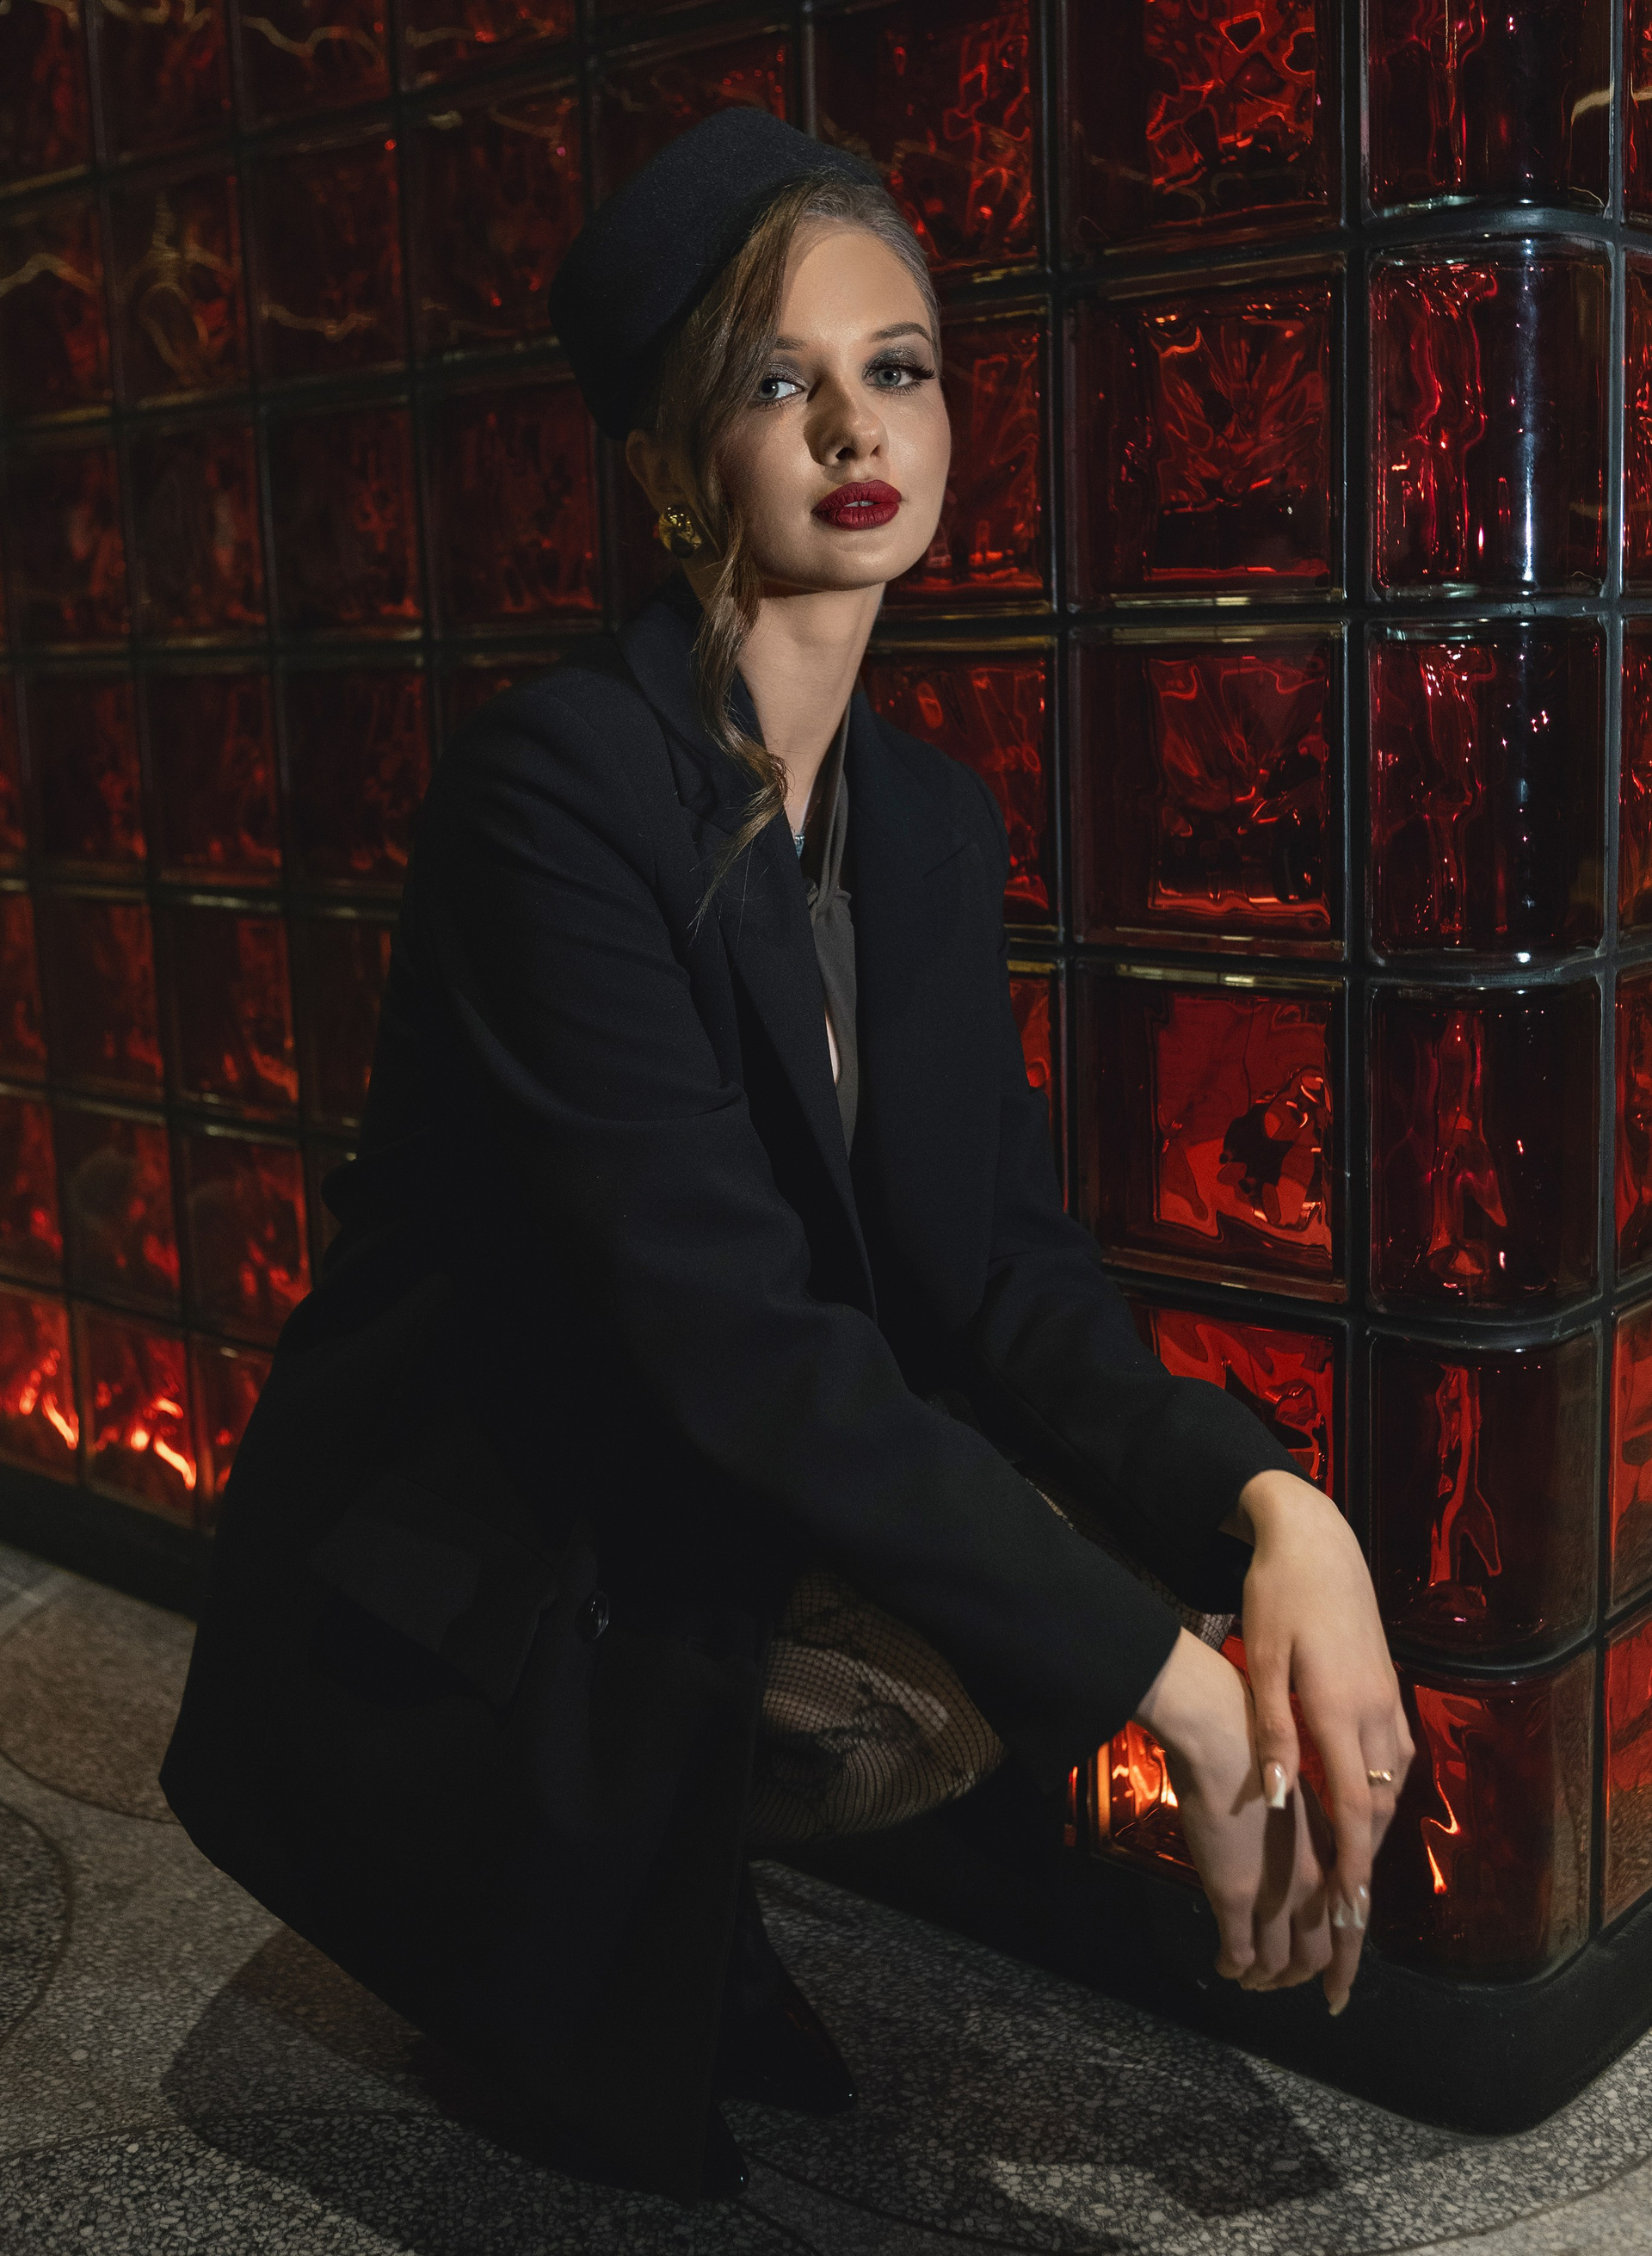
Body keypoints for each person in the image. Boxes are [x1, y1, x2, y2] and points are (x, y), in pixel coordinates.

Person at [161, 109, 1412, 2207]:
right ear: (678, 457)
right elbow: (729, 1334)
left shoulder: (921, 820)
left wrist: (1279, 1512)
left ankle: (655, 1877)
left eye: (897, 365)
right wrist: (1176, 1695)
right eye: (778, 378)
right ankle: (535, 1887)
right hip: (482, 1547)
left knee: (1058, 1556)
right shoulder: (554, 789)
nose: (857, 423)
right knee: (1009, 1626)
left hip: (667, 1465)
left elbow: (1006, 1274)